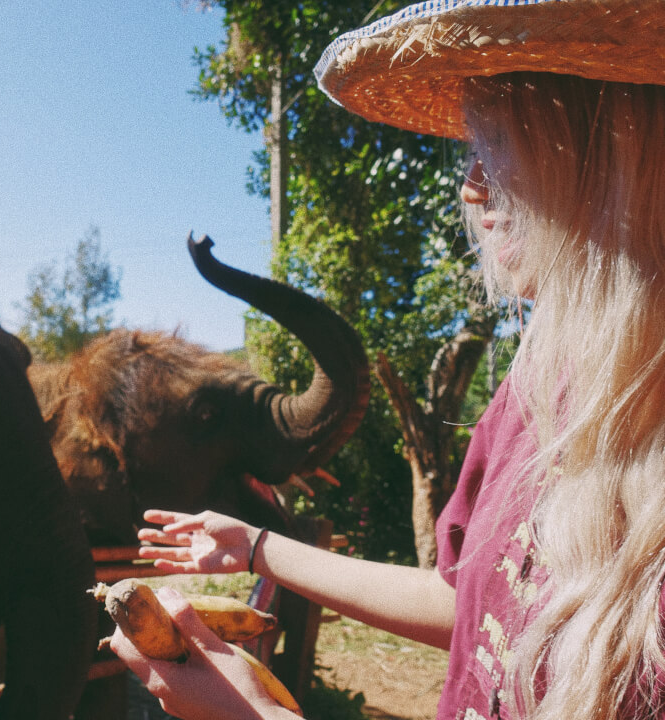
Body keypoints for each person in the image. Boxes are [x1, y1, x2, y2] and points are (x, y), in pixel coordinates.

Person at [108, 2, 665, 719]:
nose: (469, 184)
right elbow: (464, 601)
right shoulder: (532, 388)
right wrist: (255, 547)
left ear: (609, 148)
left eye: (498, 140)